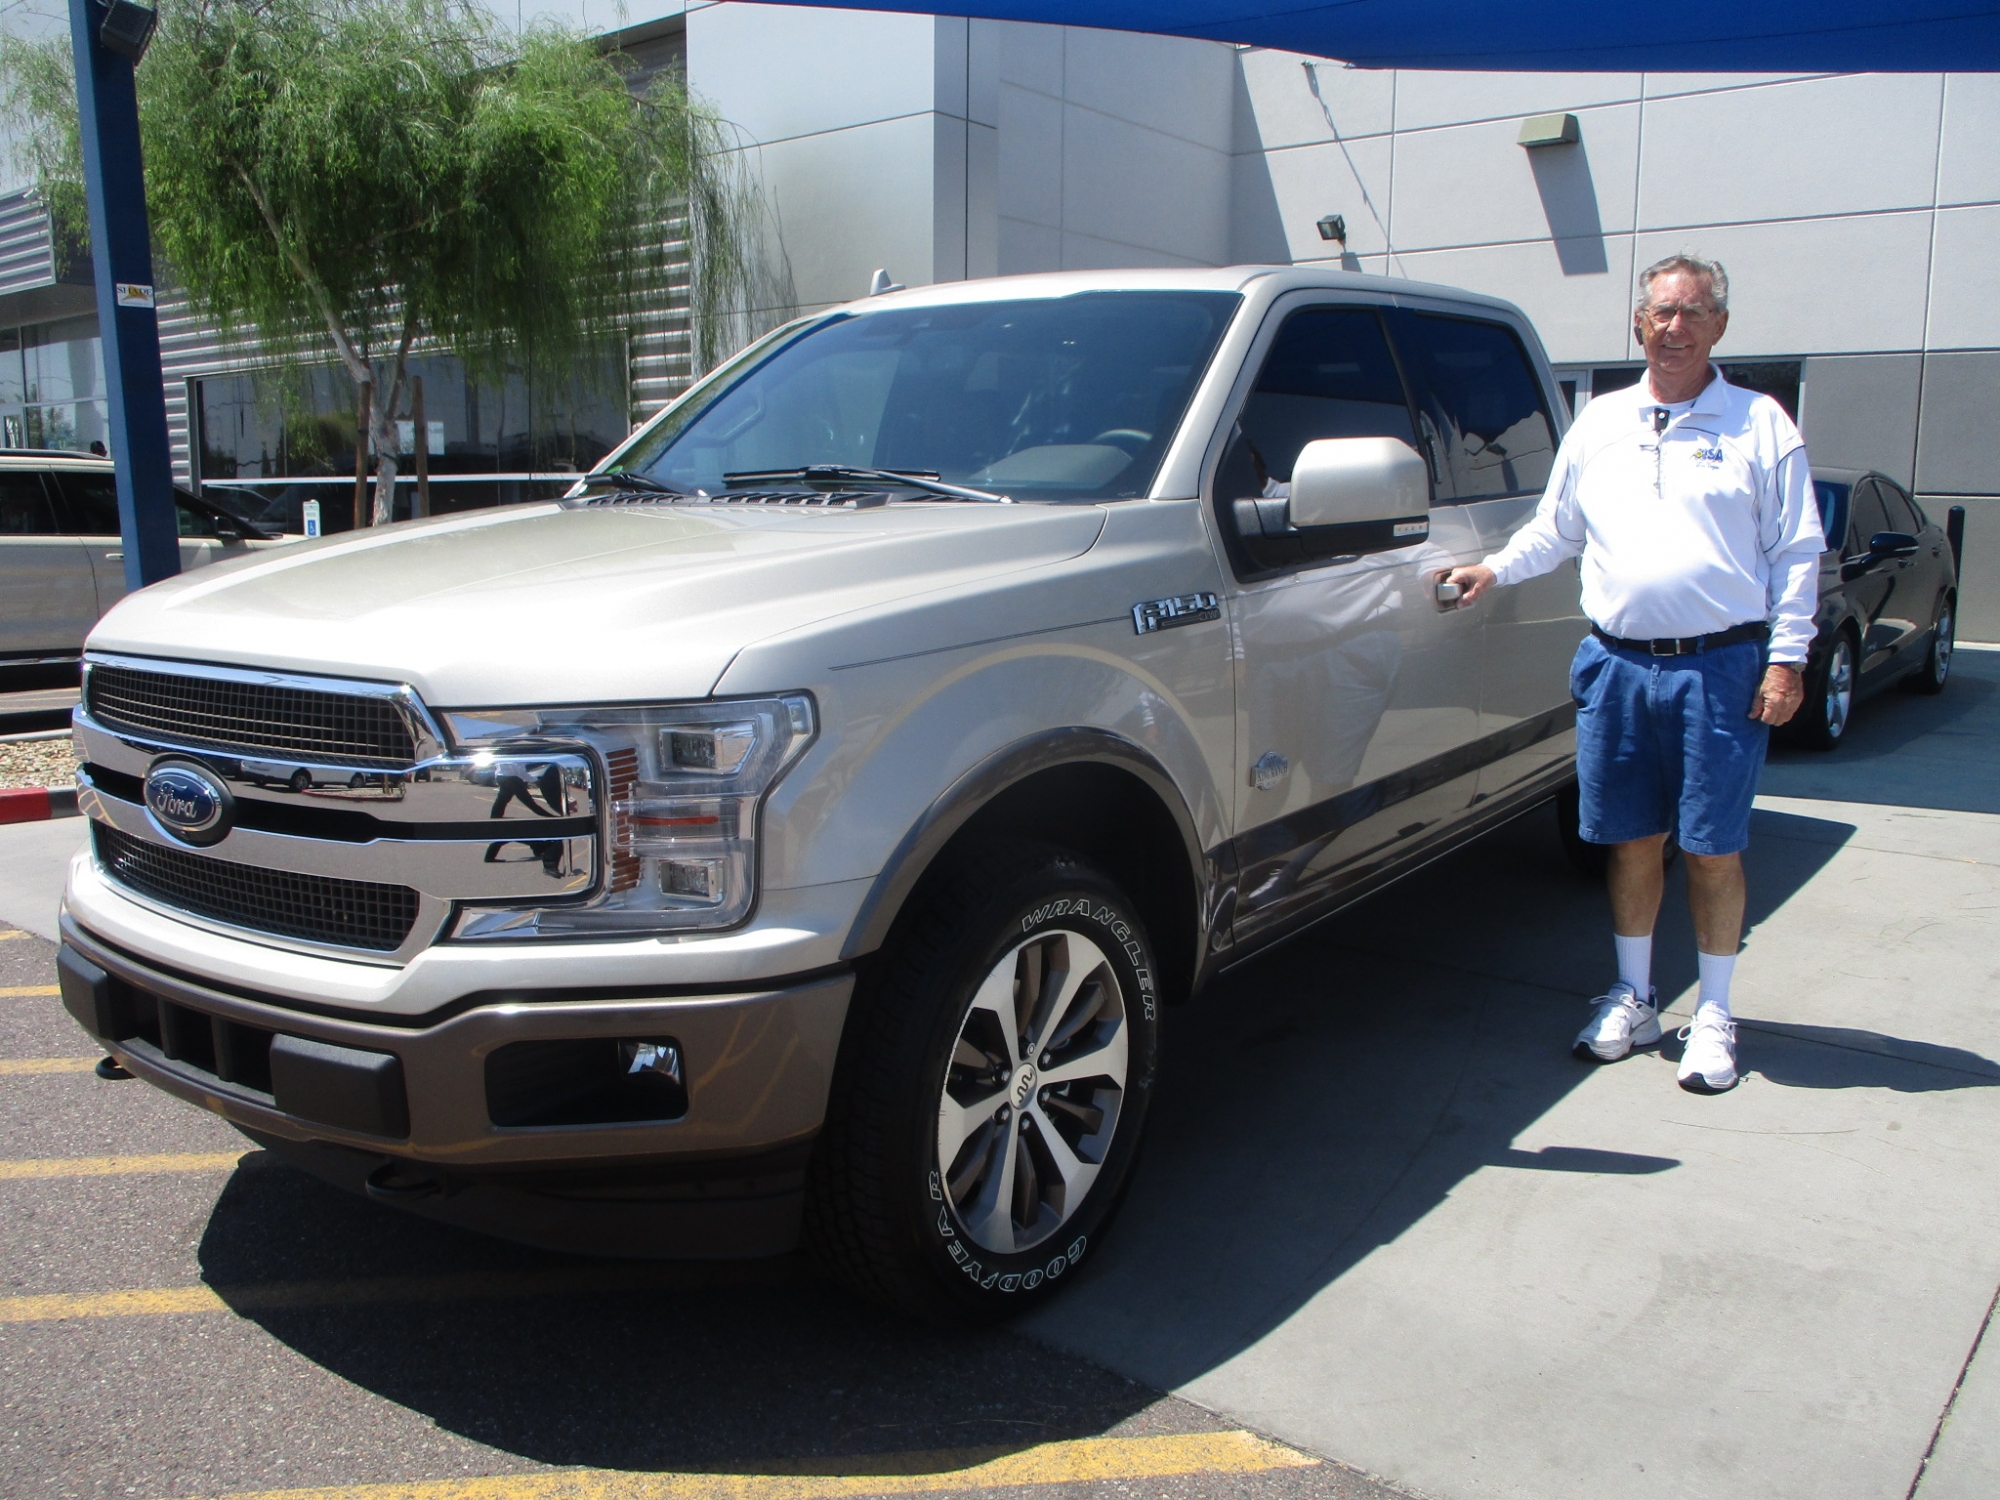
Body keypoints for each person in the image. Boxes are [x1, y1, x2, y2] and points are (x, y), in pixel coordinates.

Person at [1443, 254, 1823, 1094]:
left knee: (1712, 848)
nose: (1675, 328)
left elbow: (1797, 551)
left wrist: (1787, 658)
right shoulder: (1601, 422)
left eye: (1693, 313)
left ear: (1719, 325)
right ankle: (1635, 996)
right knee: (1630, 840)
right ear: (1639, 323)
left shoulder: (1760, 424)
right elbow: (1556, 529)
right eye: (1661, 313)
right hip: (1616, 666)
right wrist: (1494, 569)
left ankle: (1714, 1012)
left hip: (1720, 669)